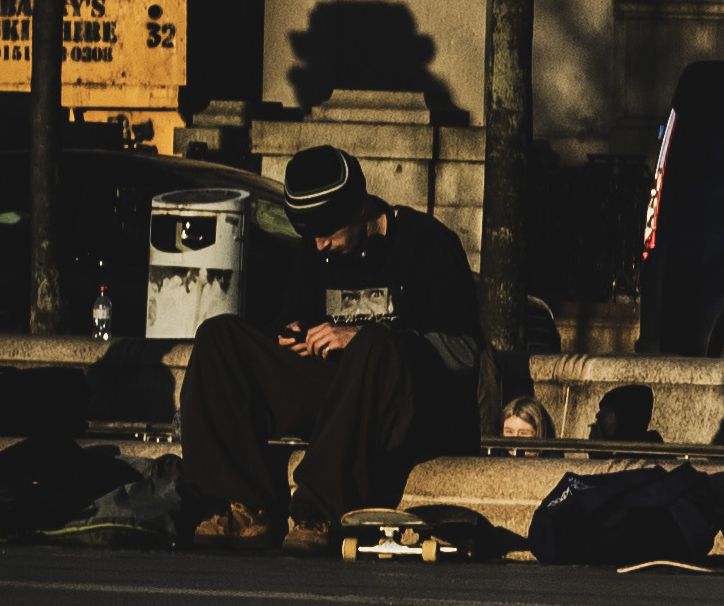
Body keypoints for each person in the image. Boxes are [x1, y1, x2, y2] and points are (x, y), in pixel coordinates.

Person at [169, 146, 512, 550]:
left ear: (361, 209)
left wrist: (361, 337)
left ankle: (318, 513)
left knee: (374, 344)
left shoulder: (430, 243)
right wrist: (292, 336)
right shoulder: (317, 250)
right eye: (310, 236)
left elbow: (464, 352)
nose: (319, 246)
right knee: (219, 337)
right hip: (336, 397)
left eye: (328, 233)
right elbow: (294, 318)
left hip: (406, 406)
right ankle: (240, 507)